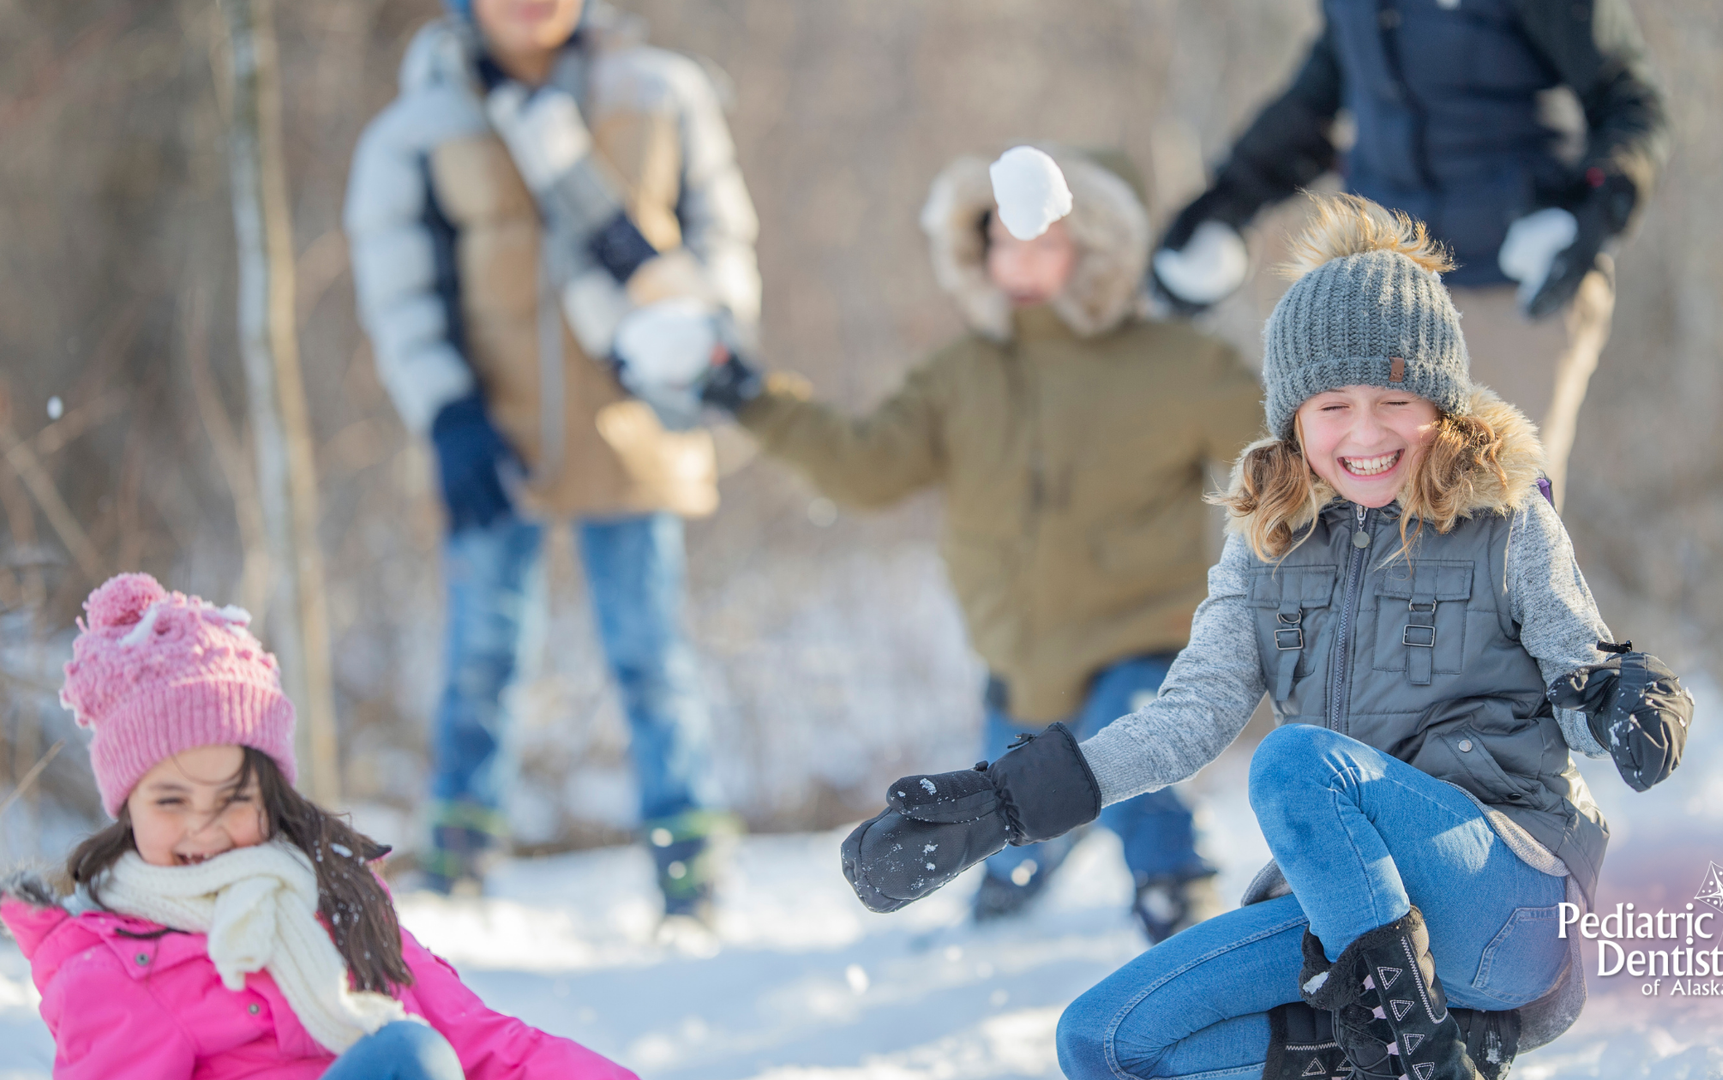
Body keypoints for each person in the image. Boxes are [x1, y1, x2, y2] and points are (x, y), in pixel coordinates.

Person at [840, 196, 1691, 1079]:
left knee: (1291, 762)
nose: (1365, 435)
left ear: (1442, 402)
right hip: (1356, 916)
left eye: (1396, 399)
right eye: (1333, 406)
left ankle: (1414, 1058)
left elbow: (1582, 676)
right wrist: (1005, 802)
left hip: (1501, 892)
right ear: (1293, 416)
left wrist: (1629, 698)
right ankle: (1418, 1049)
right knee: (1103, 1041)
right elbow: (1187, 719)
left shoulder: (1506, 522)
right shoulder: (1267, 546)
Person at [702, 148, 1267, 942]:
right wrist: (755, 400)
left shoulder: (1175, 363)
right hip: (1021, 670)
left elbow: (1278, 448)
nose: (1021, 261)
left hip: (1140, 645)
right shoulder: (959, 376)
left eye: (1042, 241)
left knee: (1144, 774)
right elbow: (867, 467)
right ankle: (1019, 884)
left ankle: (1175, 897)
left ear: (1093, 248)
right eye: (1003, 241)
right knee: (1002, 851)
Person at [343, 0, 759, 915]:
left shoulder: (662, 94)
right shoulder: (416, 132)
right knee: (483, 656)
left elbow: (721, 239)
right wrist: (448, 411)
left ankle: (690, 869)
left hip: (636, 427)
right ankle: (459, 868)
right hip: (491, 435)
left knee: (652, 654)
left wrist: (703, 340)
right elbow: (400, 291)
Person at [1, 573, 640, 1080]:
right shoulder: (117, 967)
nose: (204, 828)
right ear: (128, 807)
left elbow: (479, 1043)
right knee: (405, 1060)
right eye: (171, 802)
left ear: (271, 796)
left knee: (420, 1053)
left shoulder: (337, 902)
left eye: (231, 800)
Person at [1149, 0, 1668, 500]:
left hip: (1512, 283)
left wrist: (1596, 209)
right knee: (1367, 520)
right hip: (1388, 296)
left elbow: (1627, 100)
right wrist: (1226, 199)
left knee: (1495, 516)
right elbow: (1321, 92)